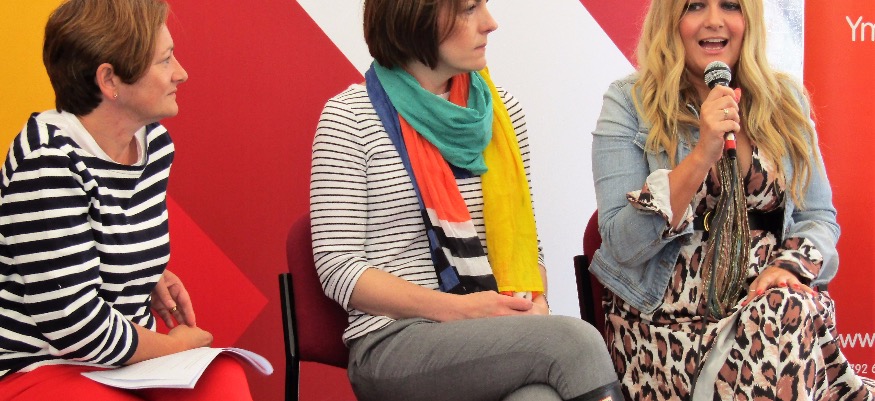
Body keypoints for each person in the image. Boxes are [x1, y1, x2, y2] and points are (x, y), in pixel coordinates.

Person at [310, 1, 622, 400]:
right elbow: (338, 266)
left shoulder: (501, 113)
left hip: (490, 328)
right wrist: (462, 310)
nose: (490, 23)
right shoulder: (350, 118)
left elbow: (528, 246)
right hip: (393, 340)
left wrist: (534, 303)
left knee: (536, 398)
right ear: (415, 16)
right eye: (468, 9)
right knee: (575, 342)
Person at [590, 0, 875, 399]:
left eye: (730, 6)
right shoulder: (630, 102)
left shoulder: (785, 101)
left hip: (774, 312)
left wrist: (789, 268)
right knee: (786, 315)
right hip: (668, 330)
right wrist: (701, 154)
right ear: (671, 19)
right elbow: (622, 243)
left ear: (749, 19)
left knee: (784, 307)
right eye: (695, 6)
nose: (714, 21)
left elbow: (819, 217)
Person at [0, 1, 252, 400]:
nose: (181, 73)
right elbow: (74, 324)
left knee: (223, 380)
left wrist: (144, 274)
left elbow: (102, 239)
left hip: (121, 362)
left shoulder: (154, 144)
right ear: (109, 80)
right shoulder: (47, 161)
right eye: (165, 60)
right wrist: (174, 346)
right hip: (39, 364)